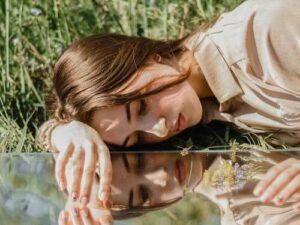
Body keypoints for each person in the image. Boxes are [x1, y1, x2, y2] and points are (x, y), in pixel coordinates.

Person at [37, 0, 300, 222]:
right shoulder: (206, 105)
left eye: (140, 108)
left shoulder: (267, 33)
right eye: (137, 140)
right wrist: (63, 132)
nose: (159, 129)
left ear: (148, 57)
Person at [59, 150, 300, 225]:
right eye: (144, 193)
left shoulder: (207, 106)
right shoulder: (249, 217)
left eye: (140, 159)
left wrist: (57, 131)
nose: (161, 177)